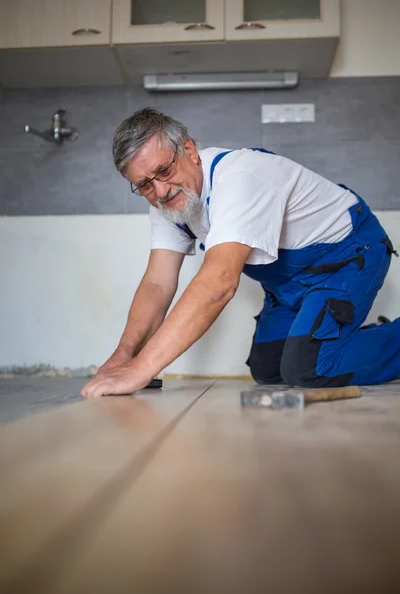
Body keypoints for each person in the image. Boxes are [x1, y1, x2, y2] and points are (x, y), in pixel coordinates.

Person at [81, 107, 400, 399]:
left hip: (348, 257)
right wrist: (124, 356)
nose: (160, 190)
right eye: (144, 185)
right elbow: (157, 284)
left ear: (189, 151)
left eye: (163, 170)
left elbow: (219, 281)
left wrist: (141, 369)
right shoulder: (168, 204)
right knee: (268, 369)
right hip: (288, 284)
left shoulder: (239, 177)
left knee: (308, 368)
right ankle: (361, 342)